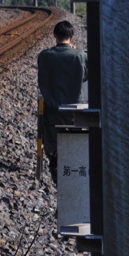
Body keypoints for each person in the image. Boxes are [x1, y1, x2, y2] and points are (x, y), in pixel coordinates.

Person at [37, 20, 88, 183]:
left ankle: (58, 178)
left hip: (52, 111)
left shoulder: (44, 56)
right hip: (75, 112)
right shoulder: (80, 55)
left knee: (53, 148)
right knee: (76, 144)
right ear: (71, 37)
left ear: (54, 35)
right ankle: (74, 178)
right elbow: (85, 77)